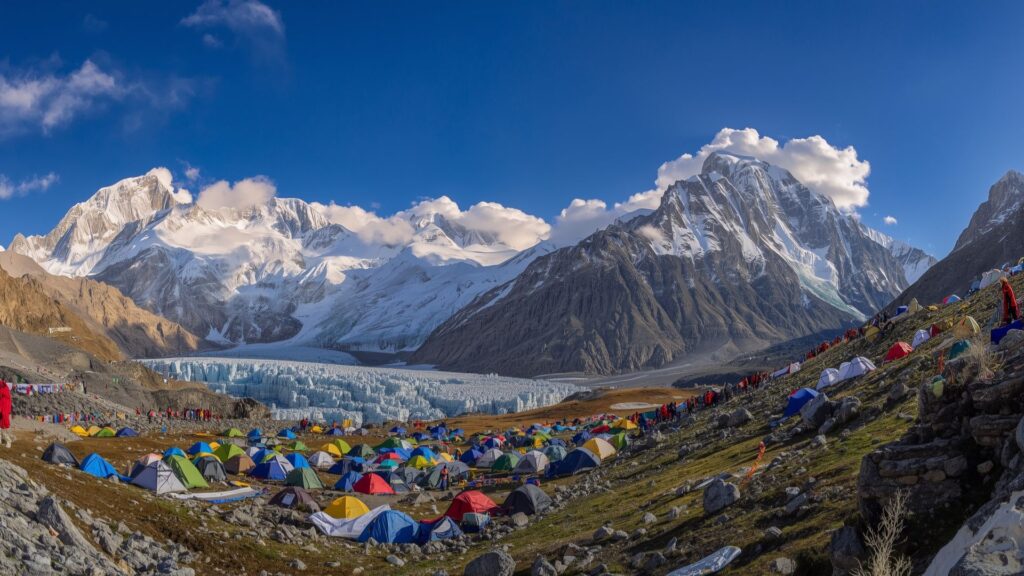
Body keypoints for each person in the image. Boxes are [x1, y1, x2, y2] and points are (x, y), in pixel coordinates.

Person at [0, 379, 12, 448]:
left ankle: (8, 441)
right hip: (2, 410)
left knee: (4, 427)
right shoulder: (3, 387)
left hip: (4, 411)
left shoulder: (2, 386)